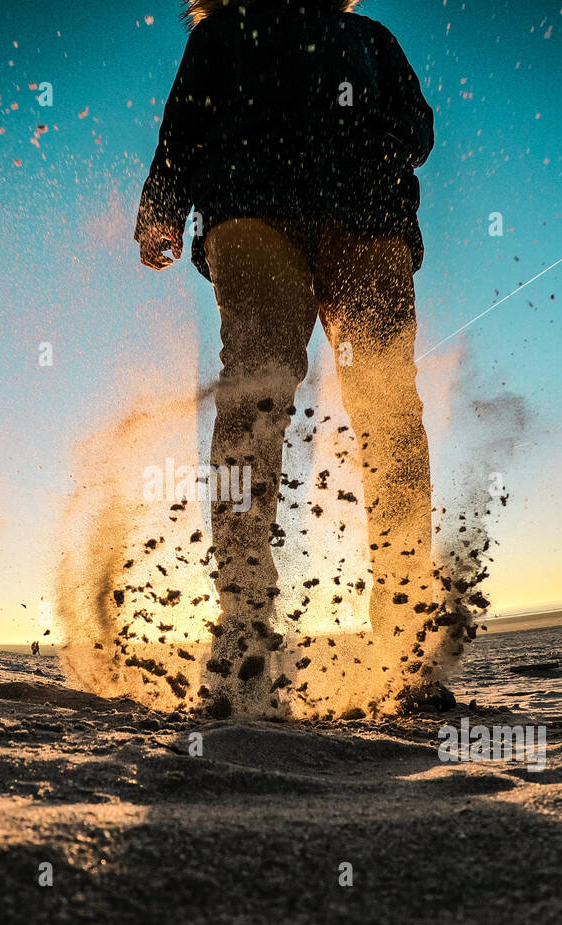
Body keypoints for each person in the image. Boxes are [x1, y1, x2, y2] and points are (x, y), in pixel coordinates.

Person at [135, 0, 435, 715]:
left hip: (332, 212)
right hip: (279, 212)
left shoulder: (368, 37)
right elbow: (185, 123)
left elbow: (416, 129)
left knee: (373, 408)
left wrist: (164, 203)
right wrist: (162, 204)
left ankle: (406, 648)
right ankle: (244, 635)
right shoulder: (237, 35)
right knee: (266, 400)